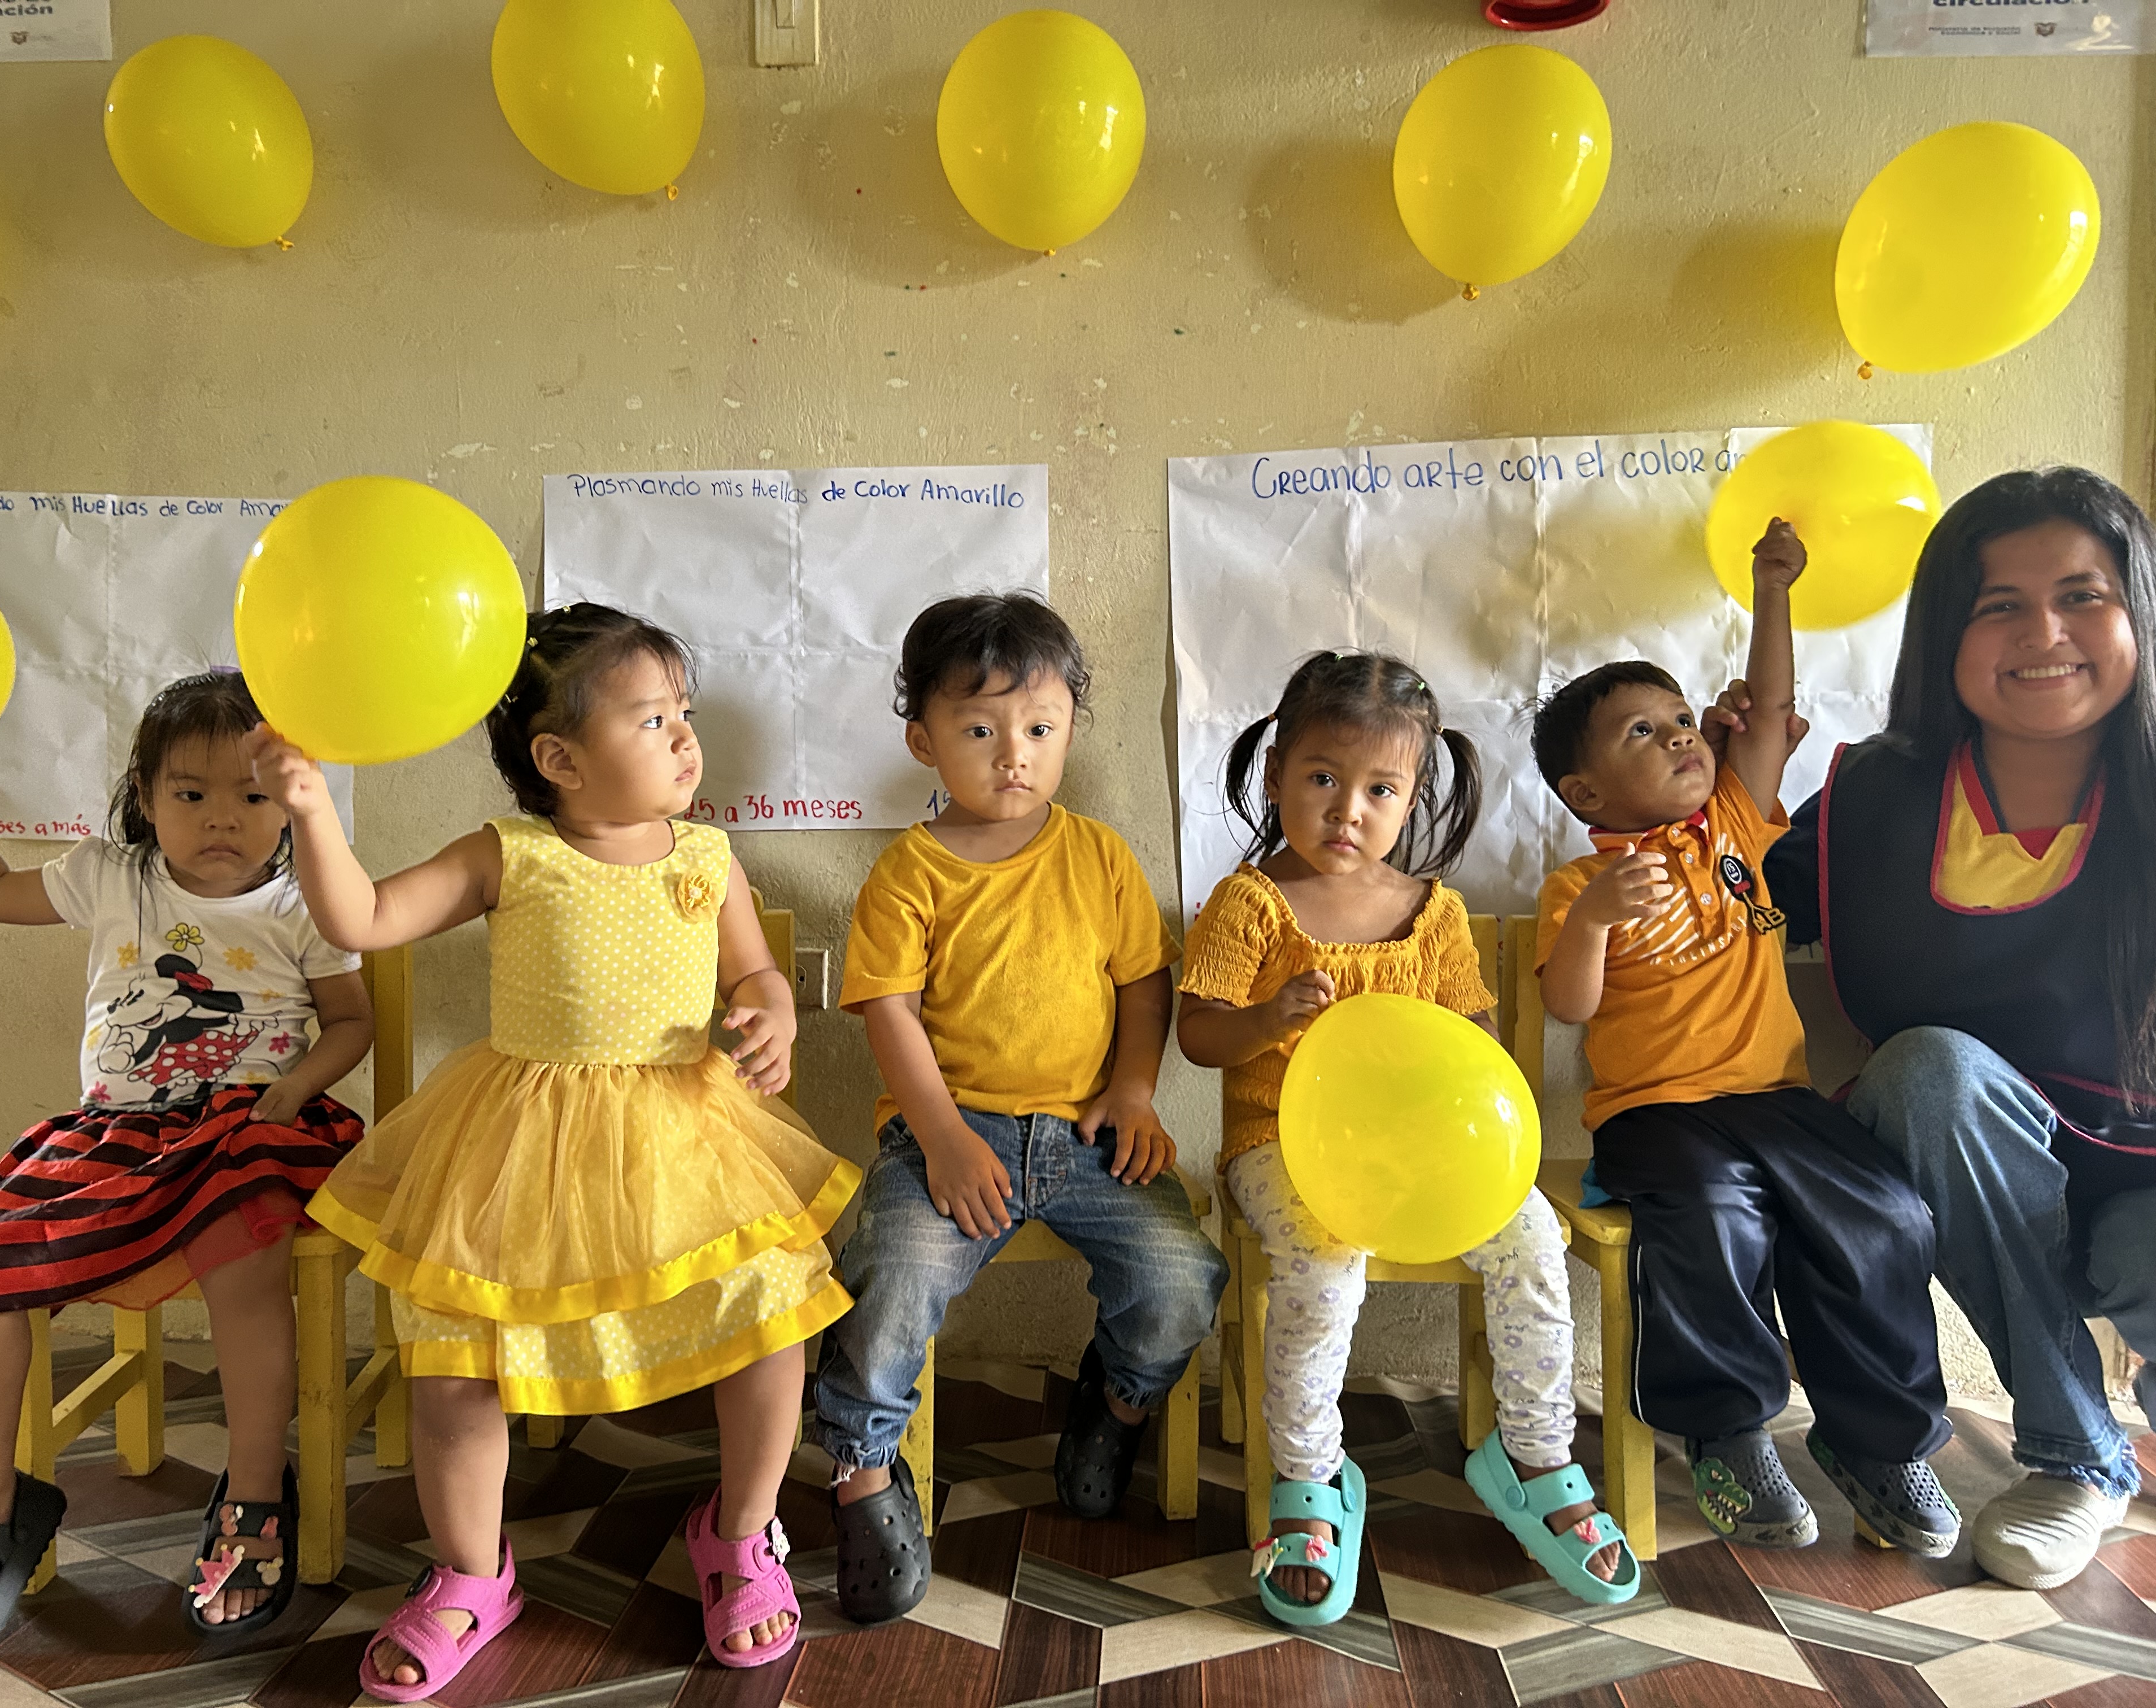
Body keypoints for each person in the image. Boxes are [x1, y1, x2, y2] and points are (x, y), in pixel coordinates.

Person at [250, 604, 858, 1696]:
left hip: (684, 1142)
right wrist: (310, 809)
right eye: (653, 719)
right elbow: (365, 920)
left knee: (773, 1315)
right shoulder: (509, 854)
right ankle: (470, 1571)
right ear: (560, 760)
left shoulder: (708, 857)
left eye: (683, 712)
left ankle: (741, 1531)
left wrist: (773, 1010)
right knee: (453, 1360)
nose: (686, 738)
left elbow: (757, 973)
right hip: (515, 1150)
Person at [0, 671, 373, 1658]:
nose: (222, 818)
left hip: (251, 1129)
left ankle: (254, 1489)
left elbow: (353, 1021)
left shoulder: (309, 899)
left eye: (252, 795)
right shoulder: (112, 877)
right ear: (145, 796)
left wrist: (295, 1086)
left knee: (243, 1244)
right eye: (191, 793)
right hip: (114, 1136)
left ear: (291, 798)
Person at [1728, 467, 2156, 1590]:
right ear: (1944, 637)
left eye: (2082, 596)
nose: (2044, 634)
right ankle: (2077, 1458)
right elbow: (1741, 895)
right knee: (1929, 1073)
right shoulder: (1878, 795)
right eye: (1999, 605)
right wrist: (1700, 790)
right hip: (1967, 1165)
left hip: (2146, 1167)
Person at [1178, 651, 1637, 1623]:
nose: (1348, 810)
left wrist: (1449, 1066)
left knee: (1534, 1239)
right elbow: (1198, 1034)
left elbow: (1473, 1041)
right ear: (1277, 775)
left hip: (1425, 1153)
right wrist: (1265, 1019)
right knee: (1323, 1264)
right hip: (1281, 1147)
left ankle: (1534, 1457)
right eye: (1322, 778)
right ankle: (1310, 1477)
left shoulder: (1436, 915)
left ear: (1413, 797)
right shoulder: (1248, 903)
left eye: (1380, 790)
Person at [1533, 520, 1958, 1558]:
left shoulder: (1734, 821)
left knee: (1887, 1214)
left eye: (1683, 719)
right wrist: (1595, 922)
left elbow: (1766, 710)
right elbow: (1571, 1007)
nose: (1682, 736)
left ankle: (1878, 1442)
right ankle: (1725, 1434)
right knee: (1716, 1217)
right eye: (1643, 732)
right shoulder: (1579, 884)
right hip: (1657, 1117)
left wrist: (1772, 586)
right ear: (1585, 794)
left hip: (1779, 1101)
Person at [812, 592, 1229, 1624]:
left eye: (1040, 729)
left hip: (1092, 1133)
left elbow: (1145, 986)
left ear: (1071, 730)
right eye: (980, 730)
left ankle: (1116, 1403)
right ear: (923, 740)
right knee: (891, 1276)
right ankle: (863, 1471)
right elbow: (891, 1015)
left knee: (1180, 1276)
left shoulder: (1100, 856)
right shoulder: (907, 874)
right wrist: (945, 1138)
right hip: (948, 1138)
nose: (1015, 755)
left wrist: (1134, 1091)